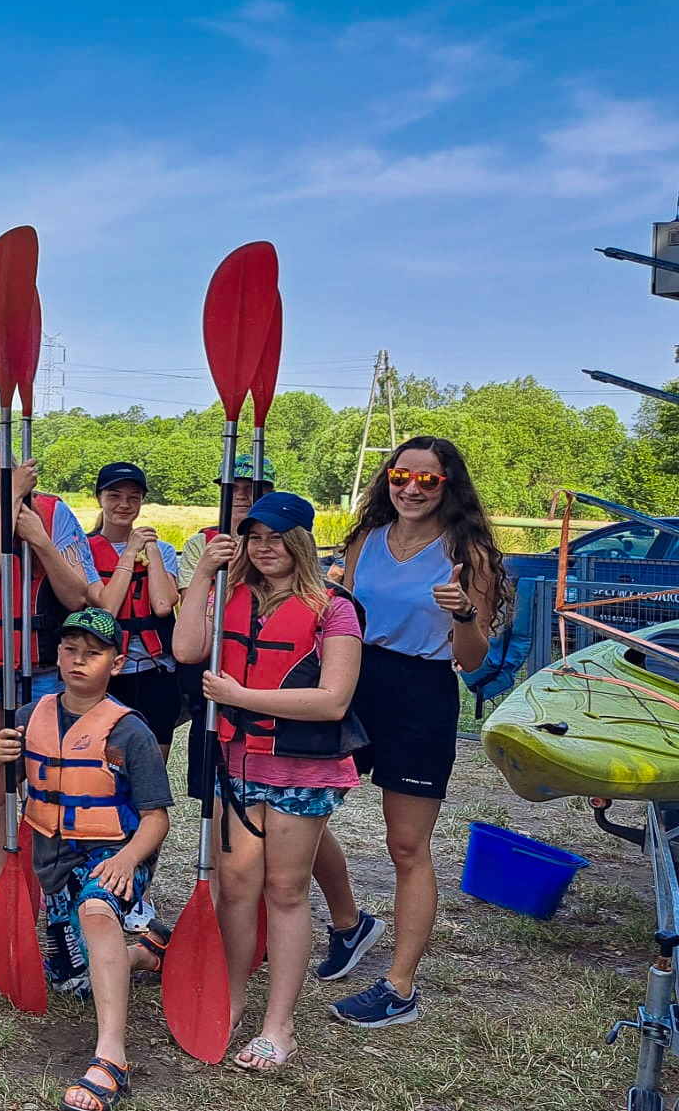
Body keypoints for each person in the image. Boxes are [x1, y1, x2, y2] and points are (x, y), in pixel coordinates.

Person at [312, 438, 504, 1028]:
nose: (412, 488)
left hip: (421, 693)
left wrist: (464, 614)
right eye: (401, 475)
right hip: (352, 680)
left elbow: (471, 661)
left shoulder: (468, 553)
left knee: (406, 846)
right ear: (388, 479)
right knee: (300, 813)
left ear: (450, 486)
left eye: (428, 480)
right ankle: (349, 925)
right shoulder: (364, 539)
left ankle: (400, 987)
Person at [173, 491, 365, 1071]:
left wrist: (240, 696)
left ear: (301, 542)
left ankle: (279, 1026)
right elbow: (187, 647)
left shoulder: (334, 608)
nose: (264, 548)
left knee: (284, 891)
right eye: (254, 538)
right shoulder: (231, 593)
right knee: (234, 888)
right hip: (236, 761)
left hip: (300, 768)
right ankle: (231, 1001)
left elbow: (333, 701)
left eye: (277, 538)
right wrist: (206, 572)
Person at [0, 608, 172, 1111]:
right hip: (56, 858)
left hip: (116, 852)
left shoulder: (129, 732)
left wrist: (129, 857)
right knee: (74, 982)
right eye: (71, 650)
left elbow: (157, 818)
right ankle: (147, 952)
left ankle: (111, 1058)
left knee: (96, 912)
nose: (79, 661)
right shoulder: (30, 718)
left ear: (115, 664)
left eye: (93, 654)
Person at [0, 422, 100, 889]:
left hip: (44, 657)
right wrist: (11, 498)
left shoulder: (53, 512)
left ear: (7, 453)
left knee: (51, 767)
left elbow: (75, 597)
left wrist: (41, 539)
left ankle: (50, 871)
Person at [176, 453, 276, 798]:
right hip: (211, 655)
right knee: (209, 743)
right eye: (235, 488)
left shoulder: (278, 546)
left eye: (253, 489)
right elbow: (193, 603)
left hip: (260, 658)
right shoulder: (200, 544)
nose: (243, 496)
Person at [87, 463, 183, 763]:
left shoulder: (162, 550)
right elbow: (108, 609)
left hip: (156, 671)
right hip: (107, 673)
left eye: (134, 497)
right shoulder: (83, 549)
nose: (124, 505)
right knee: (106, 767)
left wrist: (151, 550)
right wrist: (129, 553)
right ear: (99, 498)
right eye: (115, 496)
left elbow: (164, 605)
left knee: (151, 767)